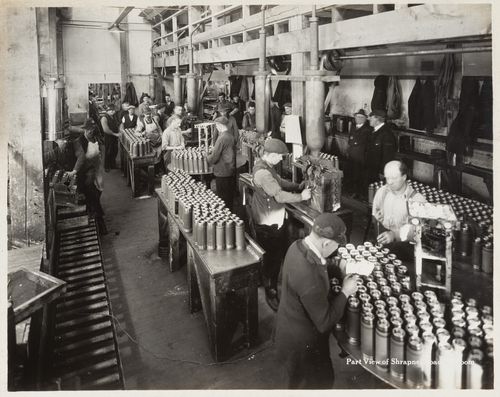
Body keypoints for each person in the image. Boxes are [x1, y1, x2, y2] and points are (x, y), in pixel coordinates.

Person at [275, 213, 359, 389]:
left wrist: (336, 265)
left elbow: (317, 261)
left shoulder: (296, 246)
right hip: (305, 347)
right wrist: (345, 291)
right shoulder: (309, 276)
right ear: (326, 243)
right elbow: (324, 322)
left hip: (287, 331)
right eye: (335, 246)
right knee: (320, 382)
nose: (335, 250)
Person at [251, 138, 311, 311]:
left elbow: (280, 183)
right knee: (272, 258)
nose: (282, 160)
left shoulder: (267, 166)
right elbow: (279, 196)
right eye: (281, 157)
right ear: (272, 155)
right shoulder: (263, 173)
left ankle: (268, 280)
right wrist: (302, 197)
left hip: (271, 217)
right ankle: (271, 292)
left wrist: (297, 186)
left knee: (275, 253)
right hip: (268, 222)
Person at [372, 160, 426, 260]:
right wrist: (377, 219)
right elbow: (375, 215)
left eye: (394, 178)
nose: (389, 182)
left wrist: (395, 235)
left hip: (406, 249)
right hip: (384, 242)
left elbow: (417, 231)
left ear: (404, 177)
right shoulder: (382, 192)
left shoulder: (417, 200)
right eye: (387, 178)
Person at [69, 118, 107, 235]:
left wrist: (102, 164)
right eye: (88, 130)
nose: (90, 132)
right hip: (86, 171)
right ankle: (99, 221)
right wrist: (74, 171)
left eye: (92, 129)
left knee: (98, 191)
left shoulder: (96, 138)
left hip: (97, 169)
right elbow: (81, 158)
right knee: (92, 193)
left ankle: (96, 215)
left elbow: (102, 149)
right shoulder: (79, 141)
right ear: (84, 130)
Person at [206, 117, 236, 211]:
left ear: (219, 126)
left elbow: (214, 157)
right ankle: (230, 213)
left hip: (222, 171)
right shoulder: (230, 136)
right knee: (229, 196)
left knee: (223, 197)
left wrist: (207, 156)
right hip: (230, 169)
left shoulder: (221, 138)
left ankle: (226, 216)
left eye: (216, 126)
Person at [365, 109, 397, 186]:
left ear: (377, 119)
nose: (369, 119)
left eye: (371, 117)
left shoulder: (387, 134)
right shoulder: (374, 131)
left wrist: (383, 172)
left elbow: (388, 156)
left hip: (379, 172)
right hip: (371, 168)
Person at [346, 109, 372, 198]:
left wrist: (353, 143)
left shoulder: (367, 129)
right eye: (357, 117)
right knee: (351, 173)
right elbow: (350, 139)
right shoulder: (353, 126)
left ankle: (358, 193)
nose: (358, 119)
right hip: (352, 154)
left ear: (365, 119)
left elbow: (361, 142)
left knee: (359, 174)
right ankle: (352, 191)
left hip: (360, 156)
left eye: (361, 117)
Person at [100, 104, 120, 172]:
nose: (112, 111)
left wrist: (119, 130)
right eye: (110, 110)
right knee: (108, 151)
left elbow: (118, 124)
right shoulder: (104, 118)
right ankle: (107, 166)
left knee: (115, 151)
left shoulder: (114, 116)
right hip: (108, 137)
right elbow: (106, 129)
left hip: (115, 137)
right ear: (107, 111)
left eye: (113, 110)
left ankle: (113, 165)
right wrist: (115, 134)